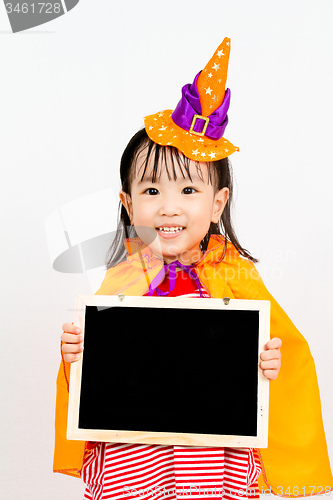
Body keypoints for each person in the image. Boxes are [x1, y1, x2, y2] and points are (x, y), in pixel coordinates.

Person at [53, 38, 333, 499]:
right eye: (150, 191)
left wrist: (268, 362)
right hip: (133, 460)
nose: (168, 208)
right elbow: (98, 378)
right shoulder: (123, 278)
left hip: (213, 463)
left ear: (217, 202)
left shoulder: (235, 274)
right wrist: (75, 357)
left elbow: (280, 356)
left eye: (188, 191)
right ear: (127, 203)